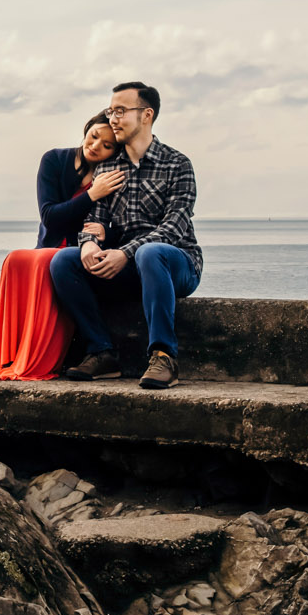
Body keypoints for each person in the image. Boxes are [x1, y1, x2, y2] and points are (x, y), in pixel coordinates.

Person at [49, 81, 200, 390]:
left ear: (146, 115)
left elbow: (173, 228)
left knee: (151, 251)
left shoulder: (178, 165)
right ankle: (102, 353)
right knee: (64, 260)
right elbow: (94, 221)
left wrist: (125, 252)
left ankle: (164, 356)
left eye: (120, 111)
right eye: (110, 110)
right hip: (126, 269)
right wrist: (89, 244)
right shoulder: (107, 169)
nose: (113, 118)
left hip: (176, 266)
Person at [0, 113, 123, 381]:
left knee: (51, 262)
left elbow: (118, 226)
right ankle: (12, 354)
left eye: (107, 145)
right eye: (94, 136)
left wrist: (107, 233)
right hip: (50, 244)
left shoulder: (113, 175)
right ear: (87, 128)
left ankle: (39, 356)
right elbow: (50, 216)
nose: (95, 146)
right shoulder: (54, 160)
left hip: (80, 253)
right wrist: (92, 194)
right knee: (15, 259)